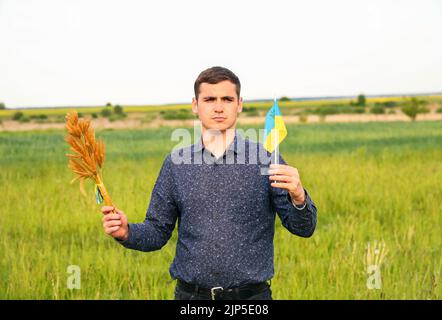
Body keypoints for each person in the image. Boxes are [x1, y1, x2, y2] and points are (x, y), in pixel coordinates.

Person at [101, 66, 317, 300]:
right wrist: (126, 232)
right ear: (196, 105)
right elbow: (157, 231)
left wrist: (299, 197)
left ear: (239, 104)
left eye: (227, 99)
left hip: (251, 298)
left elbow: (303, 228)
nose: (218, 107)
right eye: (209, 99)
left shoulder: (266, 159)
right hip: (191, 298)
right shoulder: (176, 164)